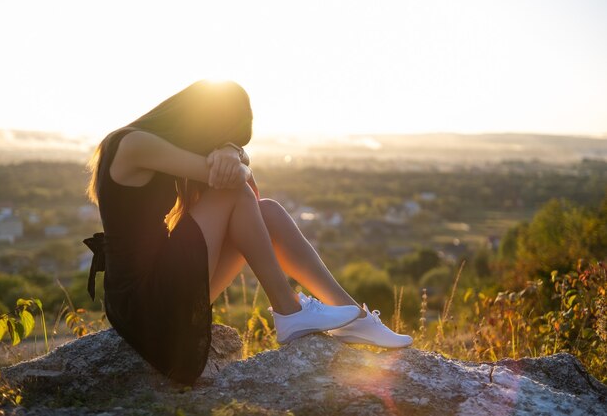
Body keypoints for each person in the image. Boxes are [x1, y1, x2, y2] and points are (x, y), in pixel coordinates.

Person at [82, 79, 412, 386]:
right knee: (235, 193)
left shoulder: (158, 146)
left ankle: (354, 317)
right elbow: (236, 183)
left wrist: (233, 150)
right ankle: (288, 310)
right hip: (144, 302)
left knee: (267, 210)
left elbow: (250, 194)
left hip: (164, 287)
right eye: (222, 133)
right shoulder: (133, 143)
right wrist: (233, 155)